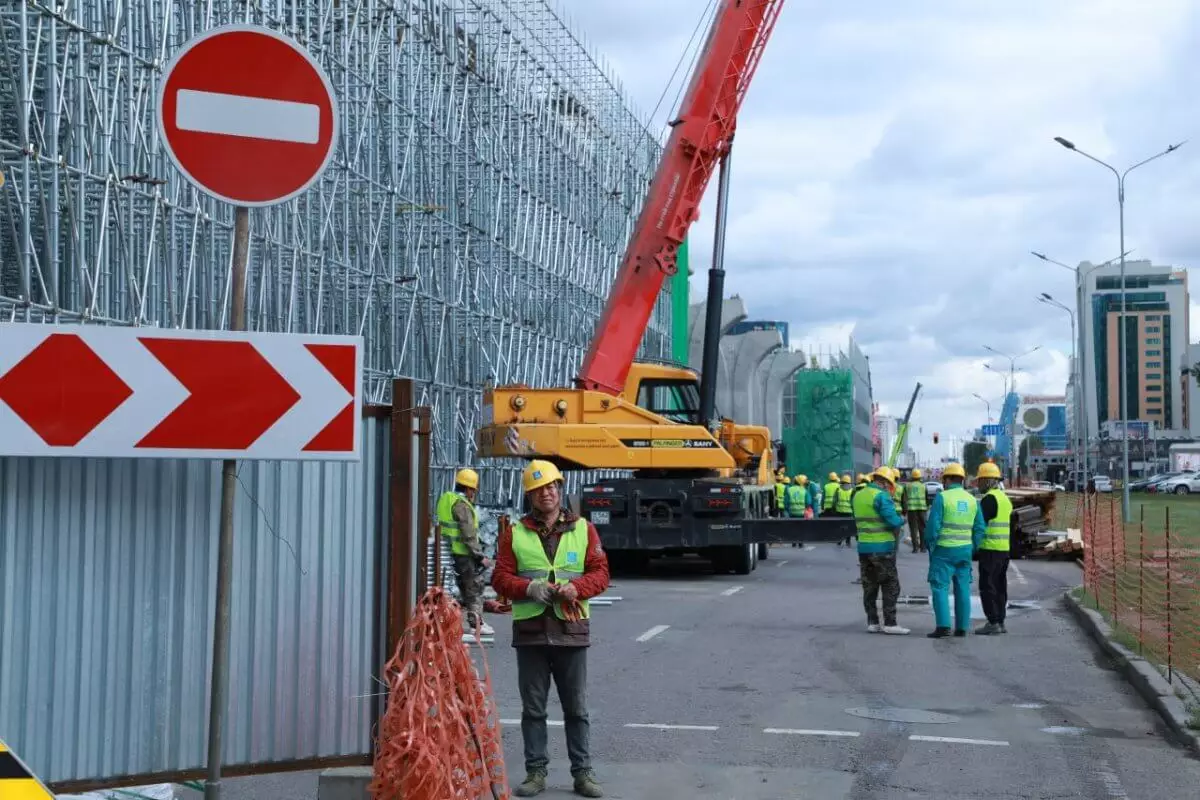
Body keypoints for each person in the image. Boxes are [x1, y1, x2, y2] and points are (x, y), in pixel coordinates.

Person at [491, 459, 609, 798]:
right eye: (540, 489)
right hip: (531, 632)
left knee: (576, 708)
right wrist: (528, 589)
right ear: (530, 495)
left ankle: (583, 773)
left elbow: (601, 573)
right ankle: (536, 772)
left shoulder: (584, 529)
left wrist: (578, 588)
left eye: (552, 487)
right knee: (533, 709)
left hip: (571, 630)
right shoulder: (515, 533)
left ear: (560, 490)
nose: (548, 493)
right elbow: (499, 577)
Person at [924, 462, 986, 638]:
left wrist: (930, 544)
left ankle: (943, 626)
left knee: (940, 586)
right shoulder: (972, 500)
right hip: (964, 550)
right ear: (962, 479)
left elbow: (933, 527)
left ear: (948, 479)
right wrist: (973, 547)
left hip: (943, 551)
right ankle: (962, 627)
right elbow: (980, 528)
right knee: (963, 587)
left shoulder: (942, 498)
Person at [852, 466, 910, 635]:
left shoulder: (858, 495)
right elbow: (893, 521)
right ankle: (890, 623)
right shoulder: (881, 497)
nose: (889, 488)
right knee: (890, 585)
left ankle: (872, 622)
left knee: (869, 586)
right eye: (889, 484)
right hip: (882, 548)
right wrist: (902, 519)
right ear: (884, 482)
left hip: (864, 547)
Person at [436, 467, 493, 638]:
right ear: (468, 488)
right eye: (473, 490)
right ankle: (477, 624)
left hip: (448, 552)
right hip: (463, 553)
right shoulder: (462, 506)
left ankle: (448, 623)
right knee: (473, 587)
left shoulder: (446, 499)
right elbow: (468, 533)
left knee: (455, 588)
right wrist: (480, 556)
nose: (473, 494)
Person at [974, 461, 1013, 635]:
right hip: (1003, 550)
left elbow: (980, 525)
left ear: (989, 480)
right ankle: (1001, 620)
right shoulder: (1004, 498)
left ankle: (993, 622)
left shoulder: (989, 499)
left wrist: (974, 546)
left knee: (987, 586)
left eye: (981, 480)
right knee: (1000, 586)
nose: (978, 484)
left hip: (989, 549)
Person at [904, 467, 928, 553]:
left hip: (911, 510)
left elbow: (905, 499)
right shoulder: (923, 486)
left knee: (913, 529)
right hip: (922, 509)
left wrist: (904, 510)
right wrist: (927, 507)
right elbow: (926, 498)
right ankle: (923, 547)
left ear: (912, 477)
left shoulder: (907, 486)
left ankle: (915, 548)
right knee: (923, 528)